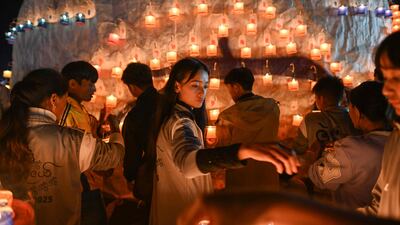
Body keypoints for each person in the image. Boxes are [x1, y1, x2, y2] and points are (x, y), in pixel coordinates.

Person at [149, 57, 300, 225]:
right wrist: (244, 150)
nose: (202, 92)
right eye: (195, 85)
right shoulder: (181, 123)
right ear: (177, 86)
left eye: (205, 86)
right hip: (184, 212)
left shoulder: (181, 119)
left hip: (185, 206)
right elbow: (187, 163)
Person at [0, 68, 124, 225]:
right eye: (65, 102)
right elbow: (113, 157)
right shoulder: (73, 140)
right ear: (53, 100)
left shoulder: (5, 132)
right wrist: (115, 133)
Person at [308, 81, 391, 209]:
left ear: (358, 112)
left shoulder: (352, 149)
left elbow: (319, 177)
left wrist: (313, 155)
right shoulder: (394, 141)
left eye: (350, 106)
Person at [215, 67, 280, 190]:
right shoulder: (273, 108)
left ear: (236, 87)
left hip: (240, 178)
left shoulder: (226, 117)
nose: (230, 95)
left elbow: (221, 153)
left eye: (229, 90)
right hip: (268, 174)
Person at [59, 61, 107, 225]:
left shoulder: (76, 108)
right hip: (81, 181)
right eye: (90, 84)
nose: (94, 89)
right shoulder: (69, 109)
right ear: (72, 84)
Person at [360, 32, 400, 221]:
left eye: (397, 78)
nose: (385, 90)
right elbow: (381, 205)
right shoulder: (395, 138)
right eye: (385, 78)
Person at [119, 62, 159, 224]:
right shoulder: (169, 103)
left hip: (150, 172)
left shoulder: (136, 114)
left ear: (133, 87)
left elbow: (132, 149)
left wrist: (130, 175)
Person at [292, 76, 358, 155]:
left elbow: (298, 150)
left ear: (321, 99)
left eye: (316, 98)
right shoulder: (354, 118)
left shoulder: (310, 120)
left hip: (319, 166)